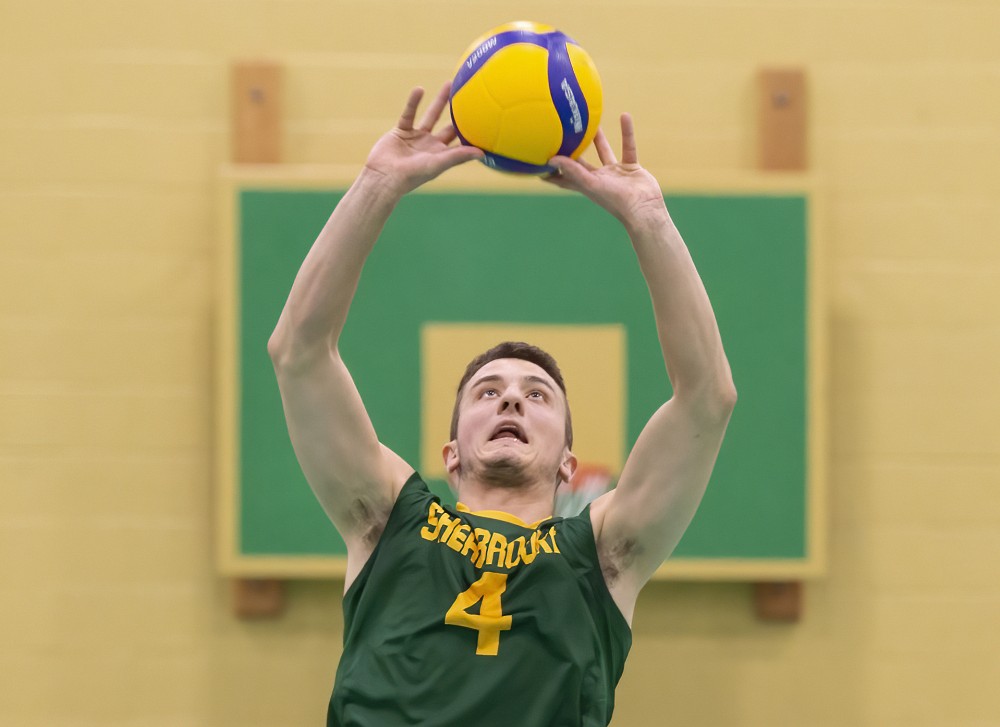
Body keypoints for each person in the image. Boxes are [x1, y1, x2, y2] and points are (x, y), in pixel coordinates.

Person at [267, 82, 736, 727]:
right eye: (488, 392)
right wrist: (378, 184)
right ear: (451, 452)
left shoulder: (602, 555)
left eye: (536, 395)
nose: (512, 396)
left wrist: (647, 216)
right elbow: (299, 352)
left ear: (570, 466)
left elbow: (707, 399)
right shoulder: (387, 523)